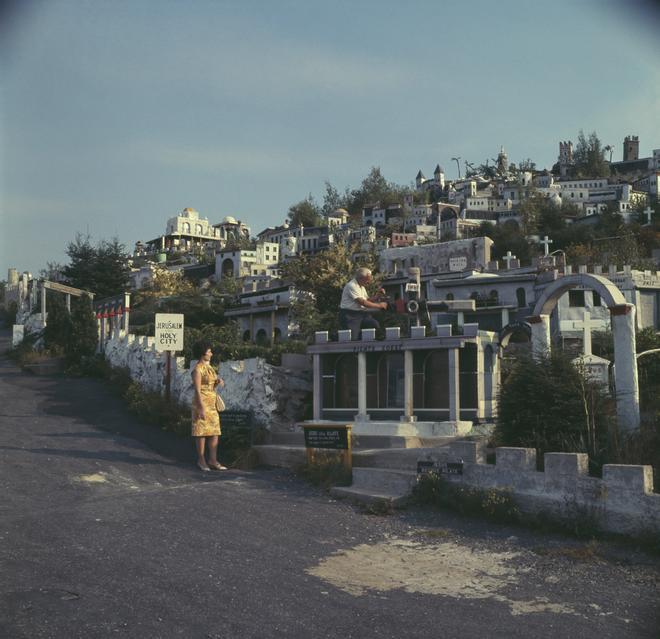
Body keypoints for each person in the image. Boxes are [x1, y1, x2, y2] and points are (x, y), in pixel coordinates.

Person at [191, 340, 227, 472]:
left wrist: (217, 382)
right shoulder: (197, 369)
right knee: (201, 432)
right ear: (202, 353)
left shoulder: (210, 368)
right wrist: (200, 407)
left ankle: (213, 460)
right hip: (201, 402)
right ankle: (201, 460)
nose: (211, 353)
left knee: (214, 431)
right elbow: (197, 389)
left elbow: (210, 386)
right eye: (209, 351)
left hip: (211, 403)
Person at [339, 267, 388, 339]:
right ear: (361, 278)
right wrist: (380, 305)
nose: (369, 281)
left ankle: (378, 345)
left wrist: (378, 296)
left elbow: (367, 300)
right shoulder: (352, 286)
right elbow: (362, 302)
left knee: (373, 324)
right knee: (353, 338)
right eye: (368, 279)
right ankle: (335, 338)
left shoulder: (361, 286)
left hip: (361, 314)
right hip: (350, 315)